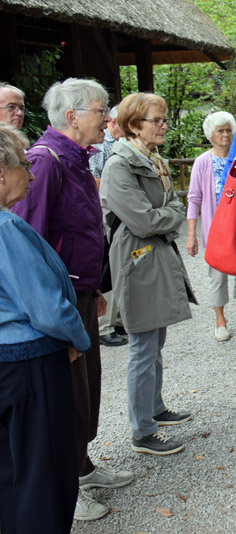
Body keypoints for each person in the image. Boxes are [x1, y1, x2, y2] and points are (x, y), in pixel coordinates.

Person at [12, 78, 133, 521]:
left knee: (88, 389)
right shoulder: (45, 163)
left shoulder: (75, 158)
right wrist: (52, 315)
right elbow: (31, 241)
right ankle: (65, 483)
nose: (108, 118)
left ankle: (81, 467)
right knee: (68, 395)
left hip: (79, 294)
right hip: (57, 305)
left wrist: (93, 288)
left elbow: (79, 230)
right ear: (72, 117)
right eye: (101, 111)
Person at [0, 123, 91, 533]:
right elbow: (46, 307)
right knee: (44, 476)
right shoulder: (6, 228)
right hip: (28, 365)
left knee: (11, 474)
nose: (31, 174)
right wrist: (77, 337)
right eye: (23, 165)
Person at [100, 92, 196, 456]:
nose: (163, 125)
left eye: (163, 118)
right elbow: (143, 220)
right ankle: (142, 431)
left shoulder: (152, 159)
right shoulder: (119, 166)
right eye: (156, 120)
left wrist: (165, 215)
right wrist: (169, 216)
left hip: (153, 254)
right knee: (142, 344)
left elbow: (170, 206)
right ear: (133, 124)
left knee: (155, 340)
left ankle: (154, 409)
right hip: (136, 259)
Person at [186, 111, 236, 342]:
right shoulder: (202, 162)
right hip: (216, 228)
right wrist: (192, 235)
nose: (226, 135)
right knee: (217, 274)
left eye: (229, 130)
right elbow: (194, 198)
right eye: (220, 131)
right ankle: (220, 320)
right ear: (211, 135)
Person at [89, 105, 129, 348]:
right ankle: (104, 326)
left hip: (114, 213)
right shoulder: (101, 147)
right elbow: (93, 179)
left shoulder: (116, 144)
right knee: (106, 268)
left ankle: (116, 319)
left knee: (118, 266)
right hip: (103, 214)